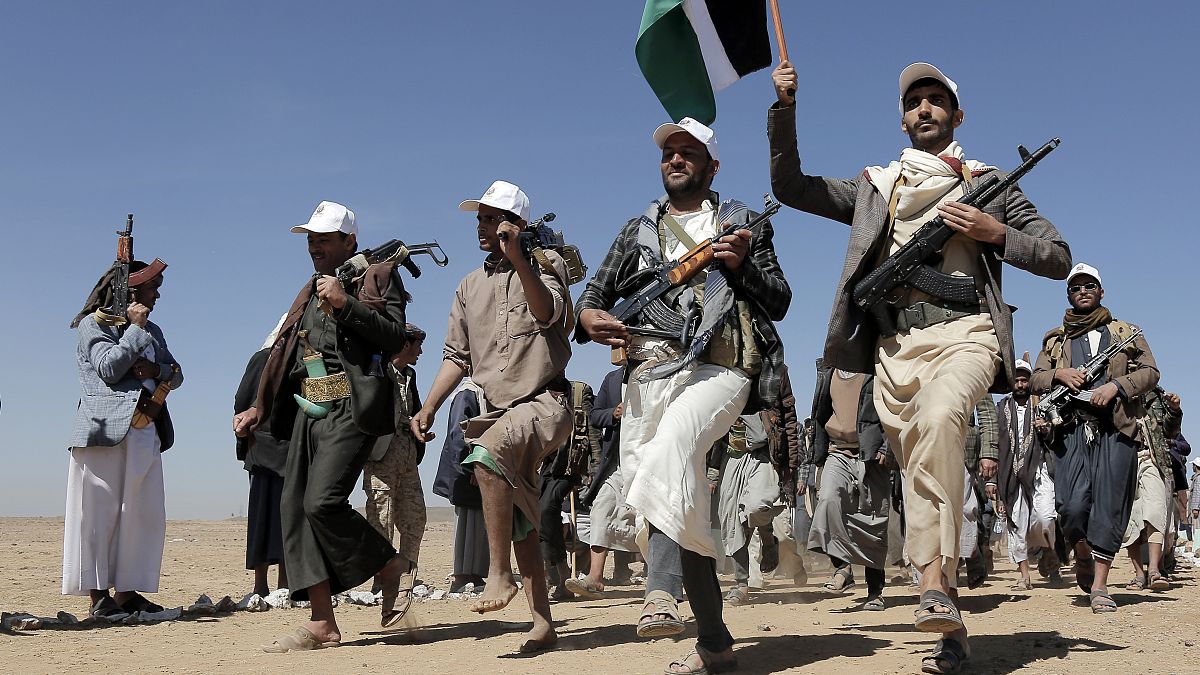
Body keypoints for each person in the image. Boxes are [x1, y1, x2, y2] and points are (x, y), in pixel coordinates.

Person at [769, 60, 1071, 673]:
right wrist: (785, 109)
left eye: (936, 101)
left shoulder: (990, 182)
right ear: (903, 118)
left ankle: (932, 577)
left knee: (939, 423)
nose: (924, 110)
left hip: (969, 334)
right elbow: (789, 186)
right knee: (920, 474)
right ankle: (949, 625)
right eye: (914, 103)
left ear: (958, 116)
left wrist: (993, 232)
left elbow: (1058, 256)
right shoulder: (878, 187)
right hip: (895, 351)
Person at [577, 117, 791, 674]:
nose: (676, 159)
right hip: (648, 375)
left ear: (712, 165)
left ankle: (659, 592)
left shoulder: (742, 223)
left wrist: (741, 268)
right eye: (669, 152)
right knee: (677, 500)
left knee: (674, 445)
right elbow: (593, 297)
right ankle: (715, 643)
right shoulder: (637, 231)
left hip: (721, 370)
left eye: (688, 152)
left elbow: (780, 298)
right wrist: (590, 318)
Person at [235, 201, 411, 651]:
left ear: (349, 240)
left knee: (322, 502)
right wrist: (260, 406)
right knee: (294, 507)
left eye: (324, 238)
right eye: (310, 239)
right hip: (310, 411)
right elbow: (286, 355)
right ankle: (322, 622)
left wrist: (346, 304)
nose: (314, 246)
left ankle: (388, 565)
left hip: (353, 409)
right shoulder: (308, 292)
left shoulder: (378, 276)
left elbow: (394, 336)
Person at [410, 180, 573, 654]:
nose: (483, 227)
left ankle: (497, 573)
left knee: (485, 456)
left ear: (518, 225)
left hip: (545, 404)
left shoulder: (546, 266)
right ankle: (543, 624)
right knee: (519, 514)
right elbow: (456, 357)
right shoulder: (468, 287)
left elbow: (549, 316)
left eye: (493, 218)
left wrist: (520, 257)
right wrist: (429, 406)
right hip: (496, 411)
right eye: (479, 219)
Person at [1030, 262, 1159, 614]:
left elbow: (1150, 372)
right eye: (1076, 287)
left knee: (1110, 505)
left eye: (1089, 286)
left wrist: (1117, 386)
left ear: (1101, 292)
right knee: (1070, 507)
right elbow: (1035, 379)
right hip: (1072, 429)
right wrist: (1059, 374)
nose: (1083, 291)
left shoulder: (1124, 332)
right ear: (1068, 294)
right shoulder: (1055, 340)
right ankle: (1081, 553)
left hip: (1117, 429)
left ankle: (1100, 585)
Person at [64, 257, 182, 617]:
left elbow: (176, 374)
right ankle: (99, 597)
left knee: (140, 514)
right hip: (102, 433)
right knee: (97, 515)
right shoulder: (91, 326)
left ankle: (128, 594)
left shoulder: (154, 331)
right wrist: (133, 330)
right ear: (130, 291)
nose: (157, 295)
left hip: (145, 429)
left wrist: (155, 368)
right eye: (153, 288)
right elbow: (109, 368)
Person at [806, 360, 892, 610]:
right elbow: (820, 413)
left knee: (873, 522)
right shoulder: (827, 372)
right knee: (829, 500)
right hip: (837, 452)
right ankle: (842, 567)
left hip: (873, 455)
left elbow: (895, 406)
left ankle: (875, 592)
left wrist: (887, 446)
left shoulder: (878, 366)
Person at [361, 323, 427, 612]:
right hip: (381, 458)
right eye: (416, 345)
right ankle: (383, 580)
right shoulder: (377, 372)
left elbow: (415, 411)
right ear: (404, 345)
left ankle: (405, 579)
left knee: (415, 518)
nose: (420, 351)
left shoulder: (409, 376)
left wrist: (420, 430)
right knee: (381, 521)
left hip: (407, 458)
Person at [567, 366, 638, 599]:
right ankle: (595, 578)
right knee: (602, 508)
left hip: (649, 461)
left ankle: (664, 579)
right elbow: (595, 416)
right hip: (617, 461)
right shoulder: (612, 379)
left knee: (653, 519)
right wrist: (613, 414)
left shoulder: (660, 374)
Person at [990, 358, 1058, 591]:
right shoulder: (1001, 408)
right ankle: (1024, 576)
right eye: (1016, 380)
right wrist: (992, 479)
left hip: (1039, 470)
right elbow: (992, 443)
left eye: (1024, 380)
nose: (1020, 384)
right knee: (1017, 523)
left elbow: (1057, 435)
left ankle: (1046, 548)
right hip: (1009, 474)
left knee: (1046, 518)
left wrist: (1046, 428)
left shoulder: (1043, 404)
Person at [234, 315, 290, 597]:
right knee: (268, 517)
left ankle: (279, 585)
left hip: (285, 452)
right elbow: (242, 400)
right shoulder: (263, 359)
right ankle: (265, 585)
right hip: (267, 450)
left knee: (281, 517)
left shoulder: (299, 360)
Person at [710, 413, 784, 606]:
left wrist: (790, 469)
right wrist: (712, 472)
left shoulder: (769, 385)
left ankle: (768, 540)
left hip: (763, 456)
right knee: (732, 522)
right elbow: (713, 431)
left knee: (756, 507)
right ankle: (741, 583)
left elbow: (788, 423)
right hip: (731, 459)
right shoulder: (724, 388)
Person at [539, 380, 599, 601]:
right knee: (539, 517)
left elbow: (592, 430)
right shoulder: (534, 390)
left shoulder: (579, 391)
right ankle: (555, 578)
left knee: (547, 509)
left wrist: (595, 467)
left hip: (569, 466)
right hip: (539, 465)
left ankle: (559, 576)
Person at [1120, 386, 1182, 590]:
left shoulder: (1156, 396)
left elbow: (1170, 430)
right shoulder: (1114, 393)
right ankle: (1139, 574)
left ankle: (1155, 570)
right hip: (1124, 463)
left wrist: (1174, 410)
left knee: (1155, 511)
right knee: (1130, 519)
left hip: (1153, 461)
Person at [432, 379, 490, 593]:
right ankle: (462, 576)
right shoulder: (468, 393)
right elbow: (460, 435)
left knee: (480, 520)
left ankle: (475, 574)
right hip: (467, 469)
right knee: (468, 520)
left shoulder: (481, 392)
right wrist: (473, 466)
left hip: (479, 467)